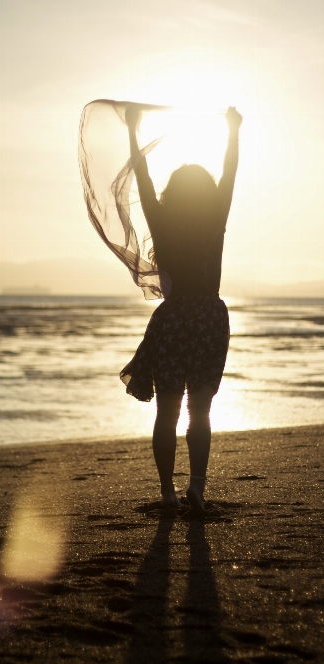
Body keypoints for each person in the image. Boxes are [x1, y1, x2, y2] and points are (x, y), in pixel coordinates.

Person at [121, 105, 243, 513]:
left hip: (173, 320)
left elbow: (142, 178)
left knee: (167, 411)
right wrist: (232, 130)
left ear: (172, 194)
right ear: (207, 193)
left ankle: (168, 494)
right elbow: (231, 172)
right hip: (209, 316)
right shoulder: (215, 217)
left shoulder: (162, 220)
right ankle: (197, 488)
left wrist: (133, 132)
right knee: (201, 409)